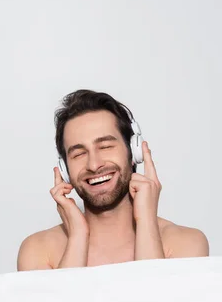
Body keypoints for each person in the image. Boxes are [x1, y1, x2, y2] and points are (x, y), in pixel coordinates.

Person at [17, 89, 209, 270]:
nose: (94, 164)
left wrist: (146, 221)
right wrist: (78, 237)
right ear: (65, 169)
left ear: (133, 152)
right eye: (79, 153)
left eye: (106, 146)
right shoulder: (38, 250)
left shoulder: (187, 243)